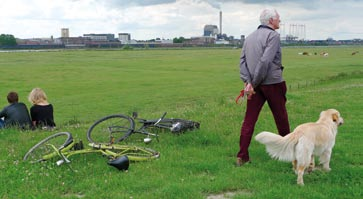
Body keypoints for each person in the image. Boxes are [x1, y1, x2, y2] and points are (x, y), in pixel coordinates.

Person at [236, 8, 291, 166]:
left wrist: (248, 82)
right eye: (278, 18)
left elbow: (242, 62)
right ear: (271, 21)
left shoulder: (249, 37)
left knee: (249, 121)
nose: (279, 20)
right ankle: (290, 154)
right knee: (281, 119)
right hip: (272, 84)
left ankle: (242, 156)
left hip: (254, 87)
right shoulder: (273, 36)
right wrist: (253, 83)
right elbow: (265, 61)